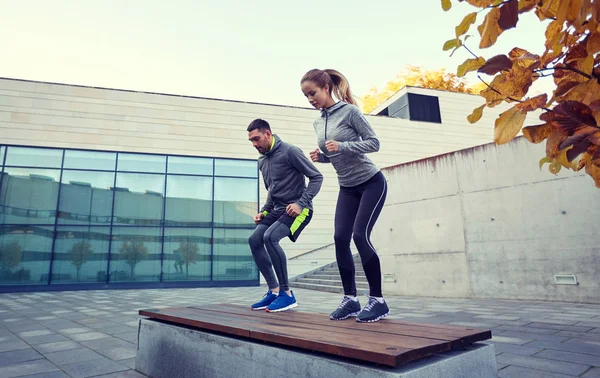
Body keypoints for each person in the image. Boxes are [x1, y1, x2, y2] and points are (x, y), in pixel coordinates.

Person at [300, 68, 389, 323]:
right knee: (340, 238)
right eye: (306, 96)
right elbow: (337, 156)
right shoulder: (318, 122)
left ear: (326, 88)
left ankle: (378, 300)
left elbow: (374, 143)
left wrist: (342, 146)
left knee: (360, 236)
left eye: (312, 93)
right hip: (347, 187)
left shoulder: (349, 112)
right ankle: (350, 299)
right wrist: (323, 158)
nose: (310, 99)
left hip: (371, 182)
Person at [247, 118, 323, 313]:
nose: (255, 144)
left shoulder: (290, 151)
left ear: (268, 134)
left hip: (300, 209)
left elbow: (316, 177)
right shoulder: (262, 161)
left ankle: (287, 294)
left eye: (257, 139)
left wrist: (300, 203)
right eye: (251, 141)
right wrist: (264, 211)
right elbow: (272, 192)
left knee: (270, 238)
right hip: (277, 209)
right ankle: (273, 291)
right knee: (255, 239)